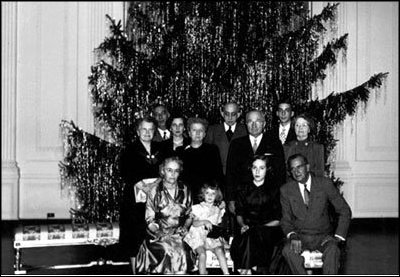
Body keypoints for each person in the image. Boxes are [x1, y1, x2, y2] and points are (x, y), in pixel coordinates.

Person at [280, 153, 352, 275]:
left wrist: (338, 237)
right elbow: (286, 220)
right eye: (292, 169)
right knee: (287, 251)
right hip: (300, 237)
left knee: (333, 250)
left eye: (299, 167)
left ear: (307, 167)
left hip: (323, 237)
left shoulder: (324, 184)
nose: (296, 171)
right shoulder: (286, 190)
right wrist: (292, 236)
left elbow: (344, 210)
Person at [118, 116, 164, 274]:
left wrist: (158, 185)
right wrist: (144, 187)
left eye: (151, 129)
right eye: (144, 129)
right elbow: (126, 172)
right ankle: (135, 271)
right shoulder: (129, 150)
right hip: (135, 202)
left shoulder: (161, 148)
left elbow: (167, 170)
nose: (147, 132)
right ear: (138, 131)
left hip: (156, 201)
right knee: (135, 238)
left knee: (154, 235)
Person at [136, 157, 194, 274]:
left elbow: (190, 215)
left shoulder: (186, 189)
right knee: (168, 250)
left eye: (176, 171)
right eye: (169, 170)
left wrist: (185, 227)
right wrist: (159, 233)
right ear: (163, 171)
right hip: (158, 234)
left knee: (182, 249)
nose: (173, 174)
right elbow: (150, 219)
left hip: (180, 233)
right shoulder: (155, 190)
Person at [230, 155, 283, 274]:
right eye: (254, 168)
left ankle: (245, 270)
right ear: (251, 169)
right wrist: (242, 225)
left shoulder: (274, 190)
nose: (257, 171)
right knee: (247, 236)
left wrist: (259, 228)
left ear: (267, 170)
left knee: (252, 235)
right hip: (247, 229)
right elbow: (239, 213)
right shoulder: (243, 188)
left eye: (261, 168)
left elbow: (278, 219)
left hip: (269, 231)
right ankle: (250, 270)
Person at [226, 110, 286, 215]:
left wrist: (278, 197)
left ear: (264, 124)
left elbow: (280, 173)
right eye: (250, 121)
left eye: (258, 121)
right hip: (242, 199)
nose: (254, 125)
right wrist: (231, 199)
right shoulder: (236, 144)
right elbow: (230, 173)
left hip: (267, 199)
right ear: (245, 124)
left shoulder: (274, 143)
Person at [184, 182, 230, 275]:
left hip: (210, 237)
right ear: (203, 194)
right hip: (198, 236)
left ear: (217, 196)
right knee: (202, 254)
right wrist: (204, 221)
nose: (210, 196)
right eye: (207, 193)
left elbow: (217, 226)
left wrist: (222, 239)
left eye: (213, 194)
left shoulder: (217, 210)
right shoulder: (198, 207)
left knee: (220, 251)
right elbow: (194, 223)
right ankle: (203, 273)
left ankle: (226, 273)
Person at [181, 117, 224, 202]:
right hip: (187, 197)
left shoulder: (212, 150)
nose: (197, 133)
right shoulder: (181, 151)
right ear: (189, 133)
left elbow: (219, 175)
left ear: (204, 134)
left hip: (208, 197)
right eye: (194, 130)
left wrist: (221, 198)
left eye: (200, 130)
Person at [205, 102, 248, 175]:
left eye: (233, 114)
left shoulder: (245, 131)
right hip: (217, 175)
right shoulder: (212, 130)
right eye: (227, 114)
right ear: (222, 113)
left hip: (239, 176)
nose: (230, 118)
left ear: (238, 114)